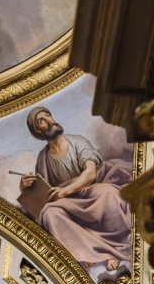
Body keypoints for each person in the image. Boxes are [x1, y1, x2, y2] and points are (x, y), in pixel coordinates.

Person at [20, 107, 132, 271]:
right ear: (38, 130)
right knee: (50, 214)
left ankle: (116, 248)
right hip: (67, 202)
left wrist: (65, 191)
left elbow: (90, 173)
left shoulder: (77, 141)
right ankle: (88, 252)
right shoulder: (43, 158)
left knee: (109, 194)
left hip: (89, 189)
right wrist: (25, 187)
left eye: (48, 116)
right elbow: (43, 193)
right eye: (42, 120)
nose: (49, 120)